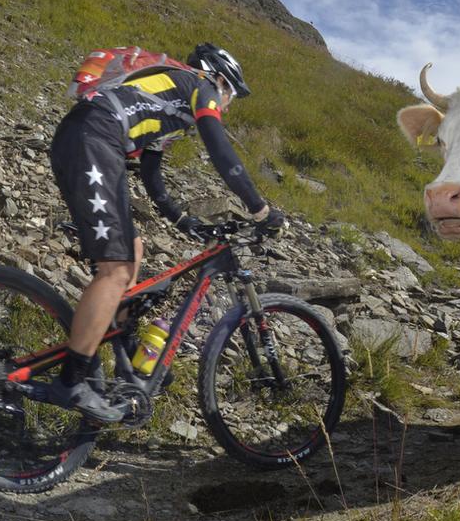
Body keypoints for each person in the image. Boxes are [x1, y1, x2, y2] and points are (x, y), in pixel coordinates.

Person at [47, 43, 285, 421]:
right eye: (231, 96)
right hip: (94, 136)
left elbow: (154, 181)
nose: (226, 105)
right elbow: (221, 150)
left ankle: (123, 365)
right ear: (221, 79)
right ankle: (72, 381)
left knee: (134, 252)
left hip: (93, 139)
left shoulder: (169, 105)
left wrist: (183, 220)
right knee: (117, 269)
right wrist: (260, 209)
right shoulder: (199, 85)